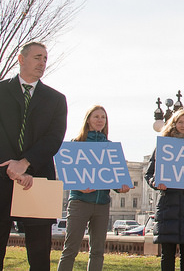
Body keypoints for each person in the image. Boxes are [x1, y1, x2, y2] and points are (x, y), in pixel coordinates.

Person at [0, 41, 67, 271]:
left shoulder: (56, 99)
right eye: (37, 57)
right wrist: (11, 167)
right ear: (21, 59)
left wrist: (26, 164)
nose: (42, 63)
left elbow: (54, 138)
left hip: (38, 180)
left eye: (45, 58)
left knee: (39, 254)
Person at [57, 105, 132, 271]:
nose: (100, 120)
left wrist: (121, 188)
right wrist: (79, 186)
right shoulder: (76, 144)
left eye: (103, 117)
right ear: (88, 120)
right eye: (96, 116)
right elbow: (66, 174)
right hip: (79, 202)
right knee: (70, 249)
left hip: (102, 204)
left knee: (97, 251)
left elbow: (113, 177)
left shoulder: (110, 147)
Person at [145, 109, 184, 271]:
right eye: (180, 122)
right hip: (168, 206)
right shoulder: (164, 146)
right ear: (174, 124)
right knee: (167, 254)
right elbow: (149, 174)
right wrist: (155, 182)